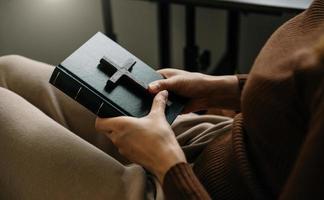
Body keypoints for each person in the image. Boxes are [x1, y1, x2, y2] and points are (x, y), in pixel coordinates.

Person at [0, 0, 324, 199]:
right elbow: (302, 84)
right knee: (8, 69)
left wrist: (166, 164)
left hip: (187, 188)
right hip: (220, 141)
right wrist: (222, 88)